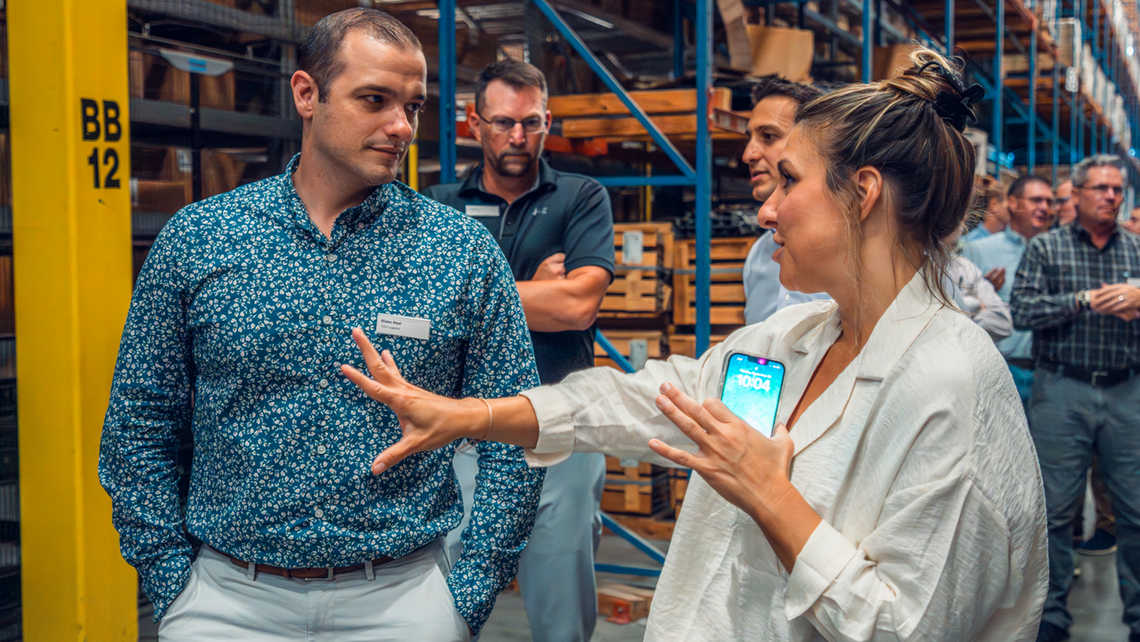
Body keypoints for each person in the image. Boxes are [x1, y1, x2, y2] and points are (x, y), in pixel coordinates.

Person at [345, 49, 1049, 641]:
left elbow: (910, 626)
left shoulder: (947, 383)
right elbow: (647, 400)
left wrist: (774, 500)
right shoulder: (791, 340)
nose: (767, 207)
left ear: (862, 194)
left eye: (791, 180)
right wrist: (472, 415)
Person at [99, 9, 544, 641]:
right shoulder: (201, 239)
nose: (400, 127)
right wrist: (171, 581)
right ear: (307, 94)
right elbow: (140, 423)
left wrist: (467, 593)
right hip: (226, 603)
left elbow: (518, 426)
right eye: (375, 100)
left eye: (412, 107)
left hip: (401, 599)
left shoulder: (460, 252)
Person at [423, 60, 614, 642]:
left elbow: (579, 305)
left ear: (547, 121)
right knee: (443, 606)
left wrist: (470, 289)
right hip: (461, 434)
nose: (517, 137)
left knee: (562, 609)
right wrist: (534, 280)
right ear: (474, 123)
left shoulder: (582, 197)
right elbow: (420, 315)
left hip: (562, 430)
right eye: (503, 122)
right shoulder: (435, 205)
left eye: (531, 123)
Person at [1010, 154, 1140, 642]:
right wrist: (1083, 301)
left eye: (1117, 189)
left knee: (1135, 511)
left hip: (1128, 390)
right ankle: (1050, 622)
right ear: (1078, 193)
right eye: (1101, 188)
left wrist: (1137, 299)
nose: (1111, 196)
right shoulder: (1047, 248)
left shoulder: (1136, 251)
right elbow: (1022, 310)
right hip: (1063, 390)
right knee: (1055, 513)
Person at [740, 76, 830, 325]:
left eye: (768, 136)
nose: (748, 154)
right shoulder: (759, 255)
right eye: (749, 139)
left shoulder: (849, 254)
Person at [961, 174, 1055, 403]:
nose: (1044, 207)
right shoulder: (978, 250)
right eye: (1036, 200)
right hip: (1001, 369)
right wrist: (986, 289)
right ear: (1012, 202)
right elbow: (960, 310)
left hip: (1051, 373)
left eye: (1049, 202)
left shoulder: (1060, 253)